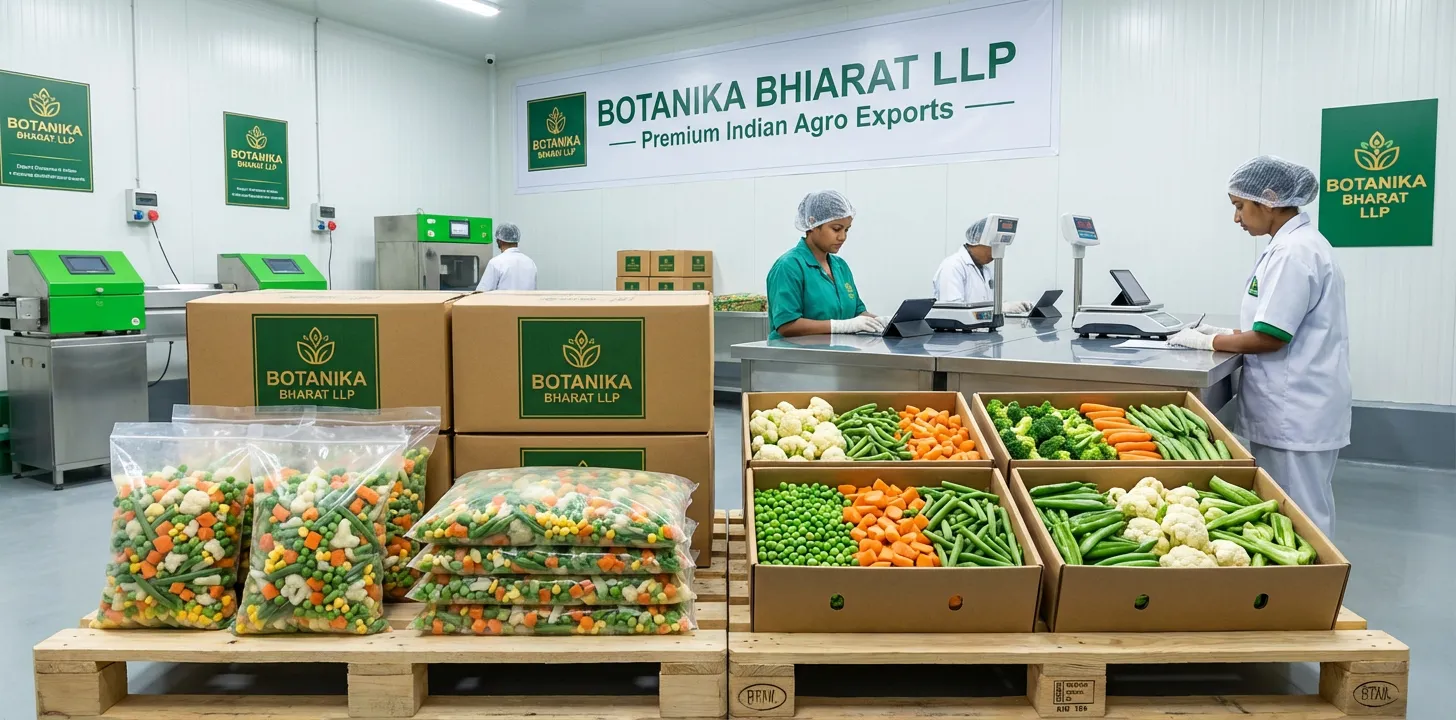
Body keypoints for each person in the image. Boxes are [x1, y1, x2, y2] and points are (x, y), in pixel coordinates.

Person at [1168, 156, 1350, 536]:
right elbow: (1271, 323)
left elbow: (1271, 336)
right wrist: (1227, 332)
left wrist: (1206, 341)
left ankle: (1311, 576)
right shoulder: (1295, 245)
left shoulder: (1293, 252)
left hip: (1295, 410)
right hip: (1297, 406)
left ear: (1268, 199)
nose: (1236, 218)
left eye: (1240, 206)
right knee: (1301, 507)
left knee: (1298, 516)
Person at [766, 190, 884, 339]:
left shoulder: (840, 267)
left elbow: (857, 312)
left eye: (846, 230)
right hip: (796, 353)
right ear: (813, 223)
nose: (843, 237)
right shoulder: (789, 266)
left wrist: (882, 322)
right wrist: (841, 326)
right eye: (836, 229)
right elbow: (786, 325)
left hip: (836, 351)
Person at [931, 218, 1033, 313]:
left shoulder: (986, 270)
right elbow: (953, 311)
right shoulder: (952, 266)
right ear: (977, 240)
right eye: (994, 246)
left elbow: (987, 304)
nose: (996, 252)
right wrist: (1000, 308)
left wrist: (1005, 306)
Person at [476, 222, 537, 291]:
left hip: (503, 299)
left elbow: (482, 292)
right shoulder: (530, 262)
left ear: (499, 241)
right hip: (527, 299)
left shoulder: (496, 262)